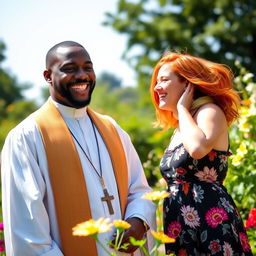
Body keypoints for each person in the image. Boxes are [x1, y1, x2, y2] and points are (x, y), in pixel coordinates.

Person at [1, 41, 156, 256]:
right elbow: (28, 227)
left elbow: (139, 189)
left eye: (88, 67)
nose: (82, 75)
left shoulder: (112, 129)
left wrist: (138, 221)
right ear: (48, 76)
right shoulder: (27, 137)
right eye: (70, 69)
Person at [150, 51, 252, 255]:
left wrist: (181, 108)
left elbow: (197, 149)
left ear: (187, 83)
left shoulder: (209, 111)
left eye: (164, 80)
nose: (156, 87)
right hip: (181, 223)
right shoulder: (183, 125)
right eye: (156, 81)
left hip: (210, 219)